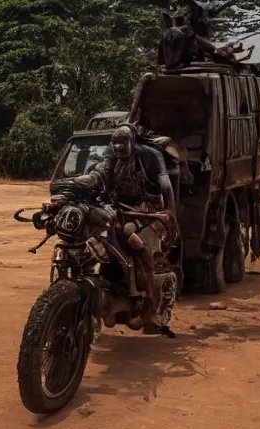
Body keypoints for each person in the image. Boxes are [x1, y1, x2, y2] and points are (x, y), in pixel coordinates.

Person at [69, 123, 179, 332]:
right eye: (115, 142)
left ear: (132, 142)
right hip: (116, 208)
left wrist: (170, 212)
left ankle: (149, 298)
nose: (119, 147)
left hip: (142, 209)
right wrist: (80, 183)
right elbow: (98, 174)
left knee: (130, 237)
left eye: (123, 142)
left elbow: (165, 185)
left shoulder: (149, 157)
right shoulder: (111, 158)